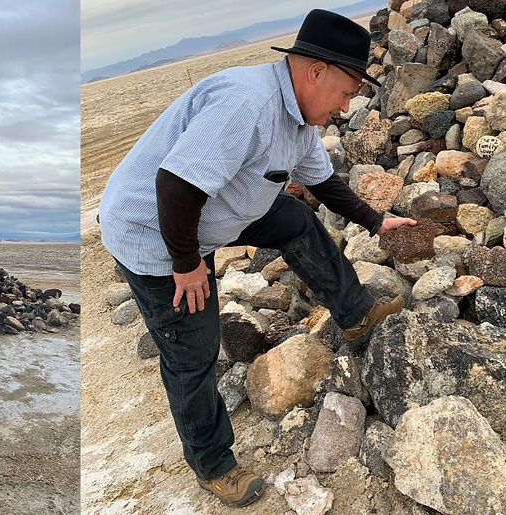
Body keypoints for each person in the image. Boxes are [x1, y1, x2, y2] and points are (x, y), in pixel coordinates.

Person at [98, 9, 416, 508]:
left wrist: (376, 221)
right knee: (192, 352)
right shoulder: (246, 104)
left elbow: (321, 180)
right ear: (316, 71)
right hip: (156, 230)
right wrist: (187, 264)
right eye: (348, 92)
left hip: (214, 208)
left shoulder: (299, 117)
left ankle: (355, 315)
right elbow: (176, 186)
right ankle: (213, 465)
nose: (345, 105)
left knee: (292, 218)